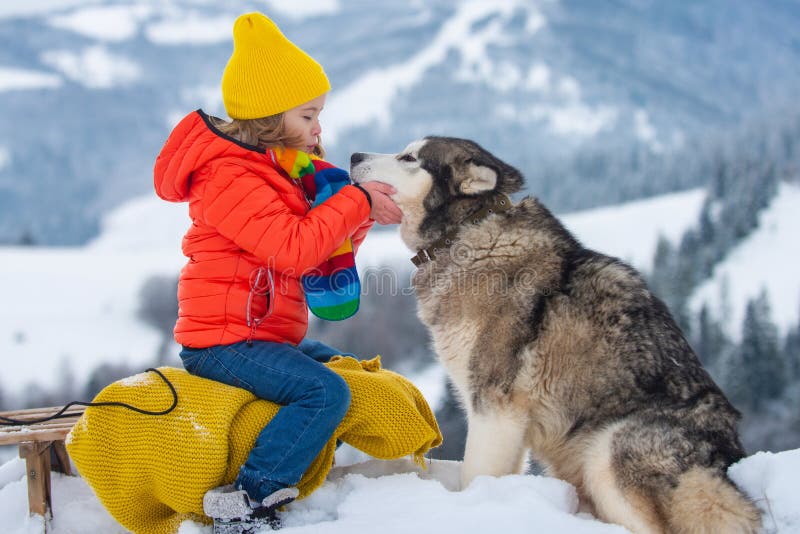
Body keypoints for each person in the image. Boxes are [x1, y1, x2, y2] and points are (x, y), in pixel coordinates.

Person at [153, 11, 402, 530]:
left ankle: (330, 469)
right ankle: (248, 499)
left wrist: (362, 215)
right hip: (223, 343)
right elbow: (291, 248)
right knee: (323, 391)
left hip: (262, 335)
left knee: (339, 367)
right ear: (269, 117)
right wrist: (354, 202)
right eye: (308, 116)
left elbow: (318, 247)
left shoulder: (277, 171)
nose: (319, 129)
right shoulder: (228, 176)